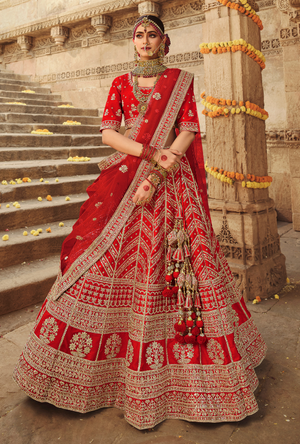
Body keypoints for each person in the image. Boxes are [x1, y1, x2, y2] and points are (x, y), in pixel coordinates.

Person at [13, 15, 267, 430]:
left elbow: (187, 129)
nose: (145, 40)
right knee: (98, 258)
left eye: (152, 35)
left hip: (171, 184)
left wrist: (159, 172)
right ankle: (94, 374)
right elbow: (108, 134)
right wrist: (150, 154)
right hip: (127, 178)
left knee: (185, 267)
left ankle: (194, 378)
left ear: (164, 41)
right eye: (139, 35)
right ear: (133, 42)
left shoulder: (180, 81)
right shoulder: (119, 84)